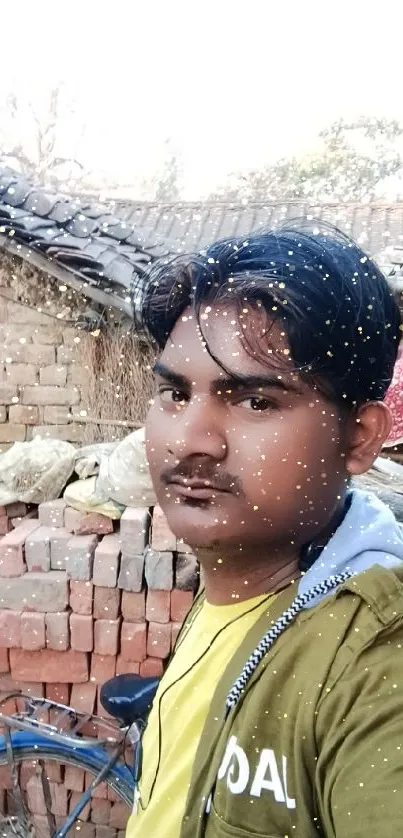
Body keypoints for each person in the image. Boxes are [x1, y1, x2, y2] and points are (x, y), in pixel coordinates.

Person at [126, 223, 403, 838]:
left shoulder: (375, 663)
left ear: (358, 438)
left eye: (255, 401)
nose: (190, 440)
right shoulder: (233, 574)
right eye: (174, 392)